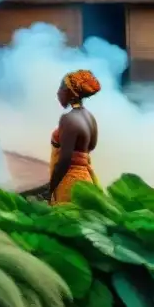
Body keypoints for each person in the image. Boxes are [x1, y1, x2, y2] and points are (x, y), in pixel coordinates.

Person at [48, 69, 102, 205]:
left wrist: (49, 189)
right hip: (87, 180)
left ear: (69, 93)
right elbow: (91, 146)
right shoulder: (90, 118)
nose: (58, 93)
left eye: (61, 88)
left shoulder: (68, 119)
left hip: (70, 184)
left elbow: (65, 160)